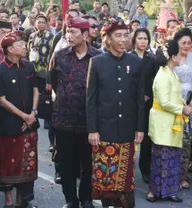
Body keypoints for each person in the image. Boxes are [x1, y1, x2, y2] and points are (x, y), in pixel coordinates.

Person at [86, 16, 145, 208]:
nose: (122, 40)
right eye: (117, 35)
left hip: (127, 129)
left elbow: (139, 99)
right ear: (108, 39)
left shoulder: (135, 62)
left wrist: (139, 127)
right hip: (104, 130)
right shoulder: (96, 62)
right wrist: (92, 129)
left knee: (126, 180)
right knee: (105, 178)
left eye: (125, 36)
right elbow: (91, 100)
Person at [49, 16, 101, 208]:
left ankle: (86, 198)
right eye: (67, 31)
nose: (68, 35)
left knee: (88, 164)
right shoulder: (60, 55)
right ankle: (71, 200)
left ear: (86, 35)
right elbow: (53, 81)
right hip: (63, 120)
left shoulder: (98, 57)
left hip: (88, 121)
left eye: (73, 32)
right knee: (67, 164)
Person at [0, 31, 39, 208]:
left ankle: (23, 200)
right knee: (8, 161)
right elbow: (1, 100)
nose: (24, 47)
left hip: (30, 122)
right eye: (21, 45)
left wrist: (33, 112)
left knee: (28, 162)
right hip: (10, 123)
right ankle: (9, 201)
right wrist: (23, 116)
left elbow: (35, 90)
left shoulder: (29, 67)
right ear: (10, 49)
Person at [146, 39, 187, 203]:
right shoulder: (163, 74)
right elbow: (164, 102)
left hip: (171, 120)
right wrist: (182, 109)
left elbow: (174, 95)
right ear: (174, 57)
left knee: (172, 157)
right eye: (180, 54)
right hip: (163, 121)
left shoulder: (171, 73)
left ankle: (169, 190)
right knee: (161, 157)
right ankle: (154, 191)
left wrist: (182, 103)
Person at [173, 28, 192, 189]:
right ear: (177, 42)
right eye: (183, 42)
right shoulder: (171, 59)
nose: (186, 45)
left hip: (191, 106)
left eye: (189, 43)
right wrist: (180, 103)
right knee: (173, 142)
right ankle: (171, 174)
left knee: (186, 142)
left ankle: (183, 176)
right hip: (174, 105)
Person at [130, 28, 158, 184]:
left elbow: (155, 80)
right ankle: (128, 169)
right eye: (140, 38)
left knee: (147, 138)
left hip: (148, 103)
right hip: (131, 103)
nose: (143, 41)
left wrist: (149, 95)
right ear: (134, 39)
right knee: (130, 137)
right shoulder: (128, 57)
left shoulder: (151, 58)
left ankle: (145, 170)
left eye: (145, 38)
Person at [28, 14, 54, 128]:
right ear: (35, 23)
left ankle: (47, 117)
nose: (41, 24)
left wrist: (50, 73)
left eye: (43, 22)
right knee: (34, 93)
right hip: (33, 70)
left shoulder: (51, 36)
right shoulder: (32, 36)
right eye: (39, 22)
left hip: (45, 70)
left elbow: (52, 55)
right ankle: (35, 115)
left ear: (47, 24)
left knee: (46, 96)